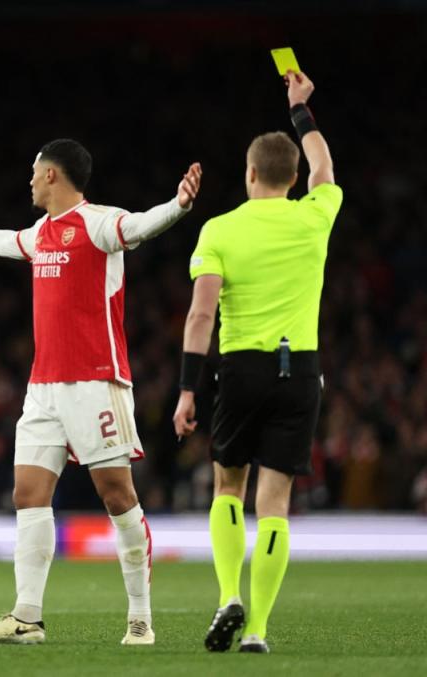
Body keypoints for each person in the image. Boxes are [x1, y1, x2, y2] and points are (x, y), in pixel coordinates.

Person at [0, 139, 201, 645]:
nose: (29, 180)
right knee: (28, 495)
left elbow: (141, 225)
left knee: (117, 496)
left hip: (97, 382)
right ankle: (26, 617)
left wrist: (179, 206)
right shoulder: (43, 232)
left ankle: (140, 617)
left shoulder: (98, 223)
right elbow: (10, 241)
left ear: (53, 174)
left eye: (34, 171)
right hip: (44, 388)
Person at [173, 71, 341, 654]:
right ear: (294, 180)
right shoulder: (315, 215)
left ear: (249, 175)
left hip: (239, 369)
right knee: (275, 505)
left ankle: (227, 596)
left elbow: (200, 316)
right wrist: (301, 109)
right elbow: (326, 169)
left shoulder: (219, 229)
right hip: (301, 373)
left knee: (227, 487)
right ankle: (260, 631)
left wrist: (188, 390)